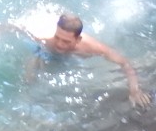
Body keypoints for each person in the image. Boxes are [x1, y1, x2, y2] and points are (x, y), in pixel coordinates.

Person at [23, 13, 151, 108]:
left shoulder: (93, 48)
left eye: (66, 41)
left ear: (78, 40)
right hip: (45, 52)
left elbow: (125, 63)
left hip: (75, 54)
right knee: (30, 77)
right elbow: (18, 27)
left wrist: (134, 90)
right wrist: (2, 29)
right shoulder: (46, 39)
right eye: (58, 38)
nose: (60, 44)